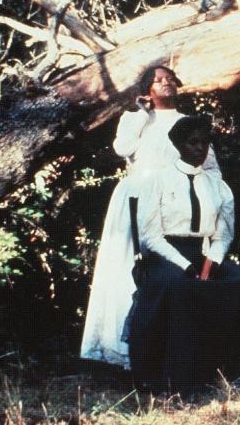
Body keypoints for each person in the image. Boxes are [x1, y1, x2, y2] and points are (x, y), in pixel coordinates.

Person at [80, 65, 222, 368]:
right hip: (137, 199)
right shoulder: (135, 120)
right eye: (158, 80)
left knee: (171, 270)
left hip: (176, 203)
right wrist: (142, 115)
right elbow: (123, 148)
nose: (166, 82)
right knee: (131, 270)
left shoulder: (188, 123)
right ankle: (126, 348)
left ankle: (168, 348)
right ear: (146, 89)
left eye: (170, 78)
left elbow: (211, 169)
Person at [125, 115, 240, 394]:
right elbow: (150, 235)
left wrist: (210, 264)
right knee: (180, 286)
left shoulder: (217, 185)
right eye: (193, 143)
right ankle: (175, 377)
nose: (200, 149)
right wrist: (187, 267)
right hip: (165, 255)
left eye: (204, 143)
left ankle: (238, 371)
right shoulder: (158, 181)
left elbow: (223, 233)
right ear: (179, 145)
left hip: (205, 253)